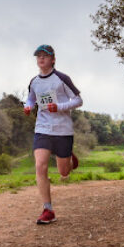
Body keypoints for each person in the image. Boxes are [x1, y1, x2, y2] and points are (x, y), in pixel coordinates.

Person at [24, 44, 83, 224]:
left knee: (64, 172)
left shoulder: (62, 78)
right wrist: (28, 106)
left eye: (45, 55)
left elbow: (79, 100)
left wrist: (59, 107)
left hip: (63, 130)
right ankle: (48, 209)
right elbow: (31, 98)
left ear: (53, 59)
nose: (41, 58)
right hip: (42, 129)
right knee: (40, 166)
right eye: (38, 56)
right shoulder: (34, 81)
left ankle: (70, 160)